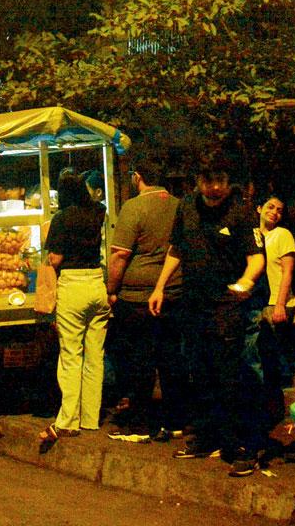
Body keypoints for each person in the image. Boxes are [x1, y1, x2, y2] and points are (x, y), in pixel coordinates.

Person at [150, 153, 268, 477]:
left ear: (228, 182)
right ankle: (205, 437)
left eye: (220, 181)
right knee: (200, 374)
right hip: (194, 304)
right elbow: (177, 249)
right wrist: (160, 286)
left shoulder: (241, 210)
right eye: (208, 180)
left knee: (234, 376)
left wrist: (243, 284)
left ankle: (245, 445)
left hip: (228, 306)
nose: (214, 187)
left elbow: (256, 258)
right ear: (197, 181)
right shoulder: (187, 206)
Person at [105, 158, 187, 442]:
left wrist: (111, 288)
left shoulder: (133, 207)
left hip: (138, 295)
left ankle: (139, 424)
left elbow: (120, 255)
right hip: (174, 290)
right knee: (170, 357)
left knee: (138, 359)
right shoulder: (179, 205)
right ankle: (175, 421)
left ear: (137, 177)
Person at [38, 172, 110, 450]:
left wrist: (48, 257)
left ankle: (68, 420)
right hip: (96, 284)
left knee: (71, 355)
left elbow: (55, 258)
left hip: (73, 285)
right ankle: (90, 417)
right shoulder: (97, 213)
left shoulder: (62, 218)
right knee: (95, 355)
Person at [258, 195, 295, 405]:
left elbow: (287, 272)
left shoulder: (282, 235)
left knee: (279, 355)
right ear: (259, 209)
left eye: (279, 210)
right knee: (264, 355)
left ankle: (284, 404)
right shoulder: (255, 237)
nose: (274, 212)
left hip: (278, 301)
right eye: (270, 207)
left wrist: (281, 304)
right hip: (261, 301)